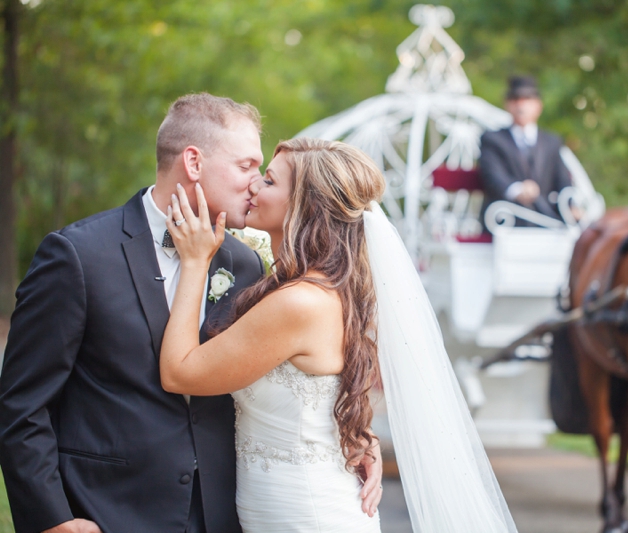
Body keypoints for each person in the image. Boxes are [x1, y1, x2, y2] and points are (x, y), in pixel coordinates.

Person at [0, 94, 383, 533]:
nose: (255, 183)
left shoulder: (246, 264)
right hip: (109, 511)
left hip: (227, 514)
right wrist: (53, 519)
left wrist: (353, 437)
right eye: (246, 166)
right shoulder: (79, 257)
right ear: (194, 163)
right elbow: (22, 404)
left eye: (263, 173)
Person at [159, 137, 519, 533]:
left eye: (270, 182)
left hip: (305, 513)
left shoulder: (300, 303)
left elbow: (180, 374)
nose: (254, 188)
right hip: (281, 504)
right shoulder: (326, 289)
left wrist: (195, 264)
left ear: (305, 205)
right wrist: (355, 434)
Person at [478, 75, 573, 227]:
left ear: (538, 106)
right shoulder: (492, 139)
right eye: (515, 99)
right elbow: (492, 176)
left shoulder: (552, 142)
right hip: (504, 222)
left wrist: (571, 206)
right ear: (507, 104)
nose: (521, 105)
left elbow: (562, 180)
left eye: (527, 99)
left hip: (546, 222)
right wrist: (517, 190)